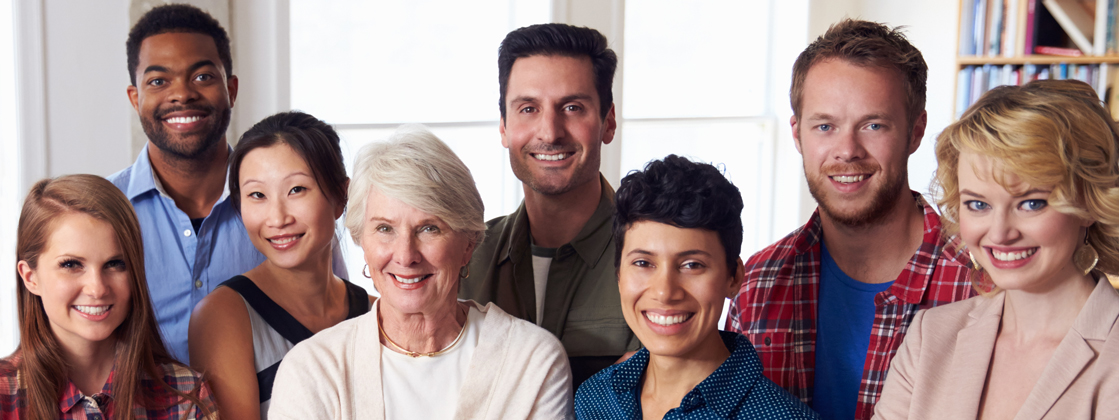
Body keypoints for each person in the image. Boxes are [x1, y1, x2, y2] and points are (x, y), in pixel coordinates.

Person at [874, 80, 1119, 418]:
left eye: (1031, 203)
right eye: (978, 205)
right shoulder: (930, 336)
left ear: (1089, 204)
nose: (999, 233)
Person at [724, 19, 973, 420]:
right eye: (825, 126)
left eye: (873, 125)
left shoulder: (978, 282)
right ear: (797, 134)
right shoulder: (756, 285)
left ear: (916, 131)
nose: (847, 151)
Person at [269, 126, 572, 419]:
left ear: (468, 243)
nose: (405, 255)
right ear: (363, 241)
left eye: (429, 228)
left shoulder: (532, 361)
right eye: (384, 229)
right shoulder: (312, 369)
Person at [109, 4, 347, 363]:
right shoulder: (104, 210)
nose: (182, 94)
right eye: (158, 81)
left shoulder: (291, 214)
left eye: (202, 77)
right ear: (135, 98)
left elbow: (339, 326)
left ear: (231, 89)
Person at [460, 22, 638, 390]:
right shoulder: (464, 257)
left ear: (608, 122)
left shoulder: (652, 256)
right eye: (528, 108)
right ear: (504, 127)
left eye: (572, 107)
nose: (550, 131)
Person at [575, 155, 818, 419]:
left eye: (692, 265)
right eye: (643, 262)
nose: (664, 292)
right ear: (619, 275)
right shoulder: (594, 397)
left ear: (734, 277)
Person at [188, 112, 373, 420]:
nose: (277, 218)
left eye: (296, 190)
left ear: (342, 196)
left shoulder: (375, 313)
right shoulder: (223, 316)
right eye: (257, 195)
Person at [1, 175, 216, 419]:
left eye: (115, 264)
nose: (97, 288)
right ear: (30, 277)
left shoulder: (186, 396)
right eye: (71, 264)